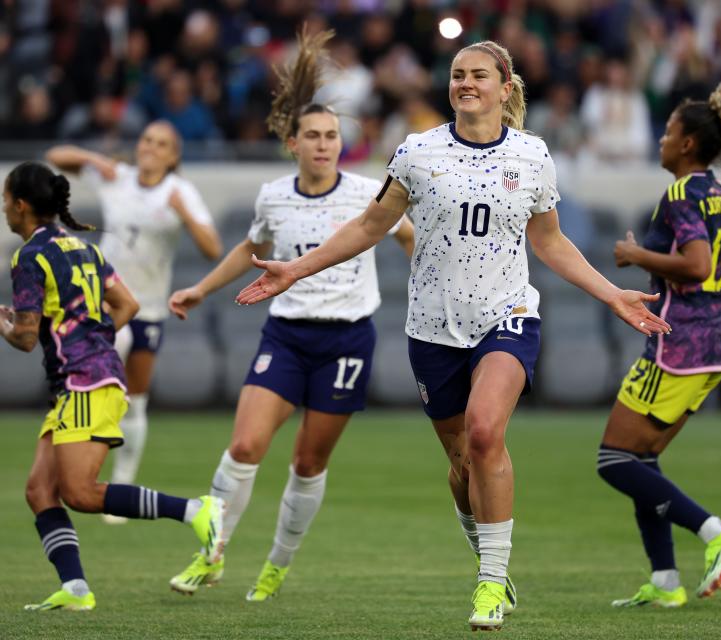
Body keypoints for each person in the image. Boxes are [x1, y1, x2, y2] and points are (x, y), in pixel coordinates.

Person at [234, 40, 670, 630]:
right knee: (464, 463)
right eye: (458, 75)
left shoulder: (532, 155)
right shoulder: (417, 152)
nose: (466, 83)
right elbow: (370, 225)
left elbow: (549, 241)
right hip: (433, 329)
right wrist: (295, 269)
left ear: (505, 87)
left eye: (479, 75)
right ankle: (490, 562)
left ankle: (491, 582)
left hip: (508, 315)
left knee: (487, 433)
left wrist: (611, 292)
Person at [165, 29, 415, 602]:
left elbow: (406, 236)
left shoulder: (366, 194)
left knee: (306, 462)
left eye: (332, 135)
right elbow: (248, 249)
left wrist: (430, 273)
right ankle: (212, 553)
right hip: (287, 334)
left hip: (347, 341)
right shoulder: (273, 195)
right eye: (314, 136)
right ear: (293, 144)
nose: (325, 144)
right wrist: (201, 289)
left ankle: (277, 563)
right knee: (246, 446)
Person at [0, 161, 224, 612]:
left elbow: (25, 337)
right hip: (86, 377)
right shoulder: (83, 248)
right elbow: (128, 303)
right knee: (40, 492)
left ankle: (195, 511)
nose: (4, 208)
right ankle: (76, 589)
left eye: (6, 200)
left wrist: (8, 324)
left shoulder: (29, 256)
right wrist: (92, 336)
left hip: (85, 382)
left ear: (21, 206)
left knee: (80, 493)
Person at [603, 84, 721, 608]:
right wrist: (714, 279)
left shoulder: (680, 196)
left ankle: (716, 531)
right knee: (642, 461)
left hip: (677, 343)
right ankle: (666, 582)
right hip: (712, 340)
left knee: (614, 460)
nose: (662, 138)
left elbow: (696, 264)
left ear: (689, 144)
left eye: (670, 131)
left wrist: (636, 255)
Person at [46, 120, 223, 523]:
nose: (151, 148)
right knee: (100, 381)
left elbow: (212, 247)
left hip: (150, 308)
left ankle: (123, 478)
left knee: (136, 401)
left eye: (162, 144)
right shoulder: (118, 177)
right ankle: (76, 466)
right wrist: (95, 159)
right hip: (106, 303)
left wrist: (184, 214)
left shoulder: (180, 192)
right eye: (146, 140)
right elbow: (55, 156)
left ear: (173, 155)